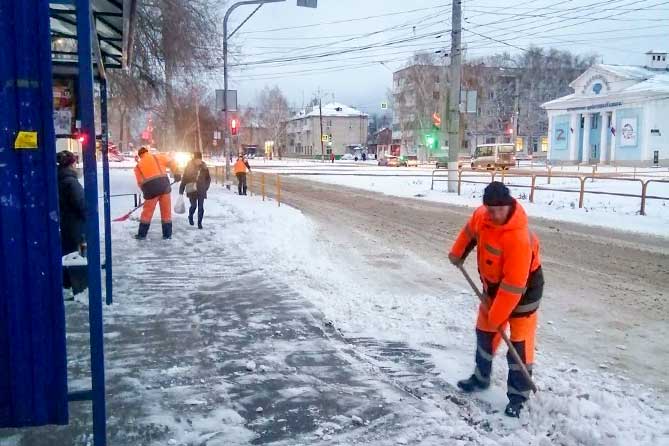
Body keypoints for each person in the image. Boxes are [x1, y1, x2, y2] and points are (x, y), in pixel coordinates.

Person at [448, 181, 544, 418]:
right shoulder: (483, 217)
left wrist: (497, 316)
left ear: (509, 205)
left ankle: (518, 397)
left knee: (518, 345)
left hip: (524, 292)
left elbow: (513, 286)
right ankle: (481, 378)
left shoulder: (518, 237)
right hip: (493, 286)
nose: (496, 214)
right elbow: (470, 232)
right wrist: (457, 253)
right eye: (491, 209)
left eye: (500, 209)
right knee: (484, 332)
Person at [134, 147, 180, 240]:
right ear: (147, 152)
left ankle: (142, 235)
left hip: (151, 190)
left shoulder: (138, 167)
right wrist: (177, 173)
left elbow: (140, 182)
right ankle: (167, 235)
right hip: (164, 186)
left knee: (147, 213)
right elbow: (172, 162)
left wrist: (146, 193)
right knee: (166, 212)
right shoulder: (157, 157)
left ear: (140, 156)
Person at [57, 150, 86, 296]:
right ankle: (71, 284)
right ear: (72, 164)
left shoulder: (57, 179)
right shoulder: (71, 182)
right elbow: (82, 204)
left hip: (63, 224)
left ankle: (65, 282)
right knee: (74, 255)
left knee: (65, 253)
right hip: (73, 225)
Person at [179, 152, 211, 229]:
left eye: (200, 159)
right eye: (197, 159)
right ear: (194, 159)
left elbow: (208, 178)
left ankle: (199, 223)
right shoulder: (189, 167)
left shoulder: (204, 167)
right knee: (193, 206)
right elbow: (184, 179)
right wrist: (181, 190)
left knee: (201, 207)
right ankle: (190, 216)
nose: (198, 161)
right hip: (192, 189)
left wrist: (206, 187)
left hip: (201, 189)